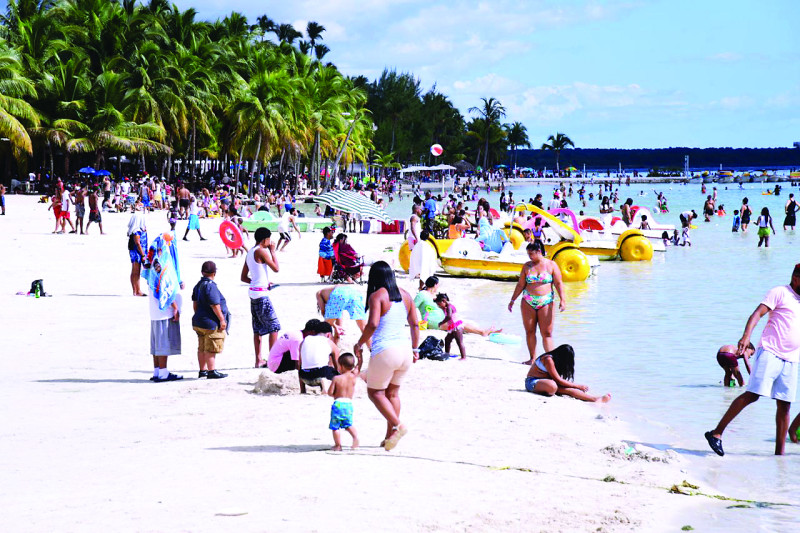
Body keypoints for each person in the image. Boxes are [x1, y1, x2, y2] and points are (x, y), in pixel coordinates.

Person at [706, 264, 800, 456]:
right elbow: (757, 313)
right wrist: (746, 336)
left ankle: (779, 456)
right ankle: (716, 433)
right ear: (796, 278)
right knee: (753, 394)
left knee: (785, 405)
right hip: (770, 352)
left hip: (791, 359)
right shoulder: (780, 292)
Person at [354, 261, 419, 451]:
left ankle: (398, 425)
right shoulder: (405, 295)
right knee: (392, 393)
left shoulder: (377, 296)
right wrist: (416, 349)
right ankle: (389, 437)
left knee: (375, 393)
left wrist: (359, 343)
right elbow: (415, 324)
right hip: (405, 351)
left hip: (385, 350)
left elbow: (373, 324)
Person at [508, 241, 565, 364]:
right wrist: (512, 300)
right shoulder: (527, 266)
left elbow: (558, 283)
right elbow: (520, 284)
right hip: (528, 301)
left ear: (539, 252)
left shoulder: (551, 265)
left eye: (531, 254)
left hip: (546, 301)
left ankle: (551, 361)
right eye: (528, 254)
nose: (529, 257)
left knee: (547, 333)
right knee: (530, 331)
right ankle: (532, 358)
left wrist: (563, 300)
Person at [142, 232, 184, 382]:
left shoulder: (151, 262)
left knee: (156, 342)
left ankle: (157, 371)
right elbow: (163, 289)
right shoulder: (160, 264)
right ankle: (164, 372)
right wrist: (175, 307)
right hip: (163, 310)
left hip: (154, 311)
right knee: (162, 341)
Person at [241, 227, 281, 368]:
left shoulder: (250, 252)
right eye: (269, 239)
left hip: (254, 293)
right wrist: (273, 251)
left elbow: (244, 277)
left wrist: (260, 283)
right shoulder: (261, 251)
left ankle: (258, 360)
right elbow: (276, 268)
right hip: (262, 295)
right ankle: (273, 359)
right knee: (274, 327)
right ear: (265, 239)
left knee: (257, 329)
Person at [525, 344, 611, 402]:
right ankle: (548, 390)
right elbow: (558, 380)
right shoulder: (548, 359)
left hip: (546, 383)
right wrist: (578, 386)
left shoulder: (554, 360)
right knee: (553, 386)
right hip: (532, 382)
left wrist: (575, 386)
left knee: (570, 390)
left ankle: (595, 399)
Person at [191, 261, 229, 379]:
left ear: (202, 272)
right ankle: (211, 371)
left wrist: (198, 315)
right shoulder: (211, 286)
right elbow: (215, 305)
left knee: (201, 346)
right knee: (211, 347)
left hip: (199, 321)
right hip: (210, 323)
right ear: (214, 273)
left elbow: (195, 304)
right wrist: (222, 320)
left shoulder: (198, 285)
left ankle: (203, 370)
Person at [328, 353, 360, 451]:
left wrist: (334, 395)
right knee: (348, 424)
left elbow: (330, 392)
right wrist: (360, 357)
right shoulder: (354, 378)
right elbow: (358, 367)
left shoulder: (336, 378)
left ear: (341, 366)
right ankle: (355, 438)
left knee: (335, 427)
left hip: (338, 404)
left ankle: (338, 445)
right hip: (349, 404)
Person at [298, 321, 340, 394]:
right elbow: (338, 368)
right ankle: (324, 384)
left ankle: (303, 390)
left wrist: (302, 390)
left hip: (304, 377)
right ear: (328, 335)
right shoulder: (328, 342)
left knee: (305, 366)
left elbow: (299, 365)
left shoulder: (304, 341)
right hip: (321, 375)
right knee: (332, 371)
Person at [434, 293, 466, 359]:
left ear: (444, 301)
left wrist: (441, 323)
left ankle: (463, 357)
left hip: (457, 326)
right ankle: (447, 354)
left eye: (439, 304)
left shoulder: (449, 307)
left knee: (459, 342)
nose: (439, 306)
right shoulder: (446, 307)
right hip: (452, 327)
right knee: (447, 339)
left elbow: (448, 317)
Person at [127, 207, 148, 296]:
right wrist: (143, 255)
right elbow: (138, 243)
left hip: (136, 252)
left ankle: (136, 290)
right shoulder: (136, 231)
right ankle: (136, 290)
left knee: (135, 271)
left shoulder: (136, 229)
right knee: (136, 271)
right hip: (137, 253)